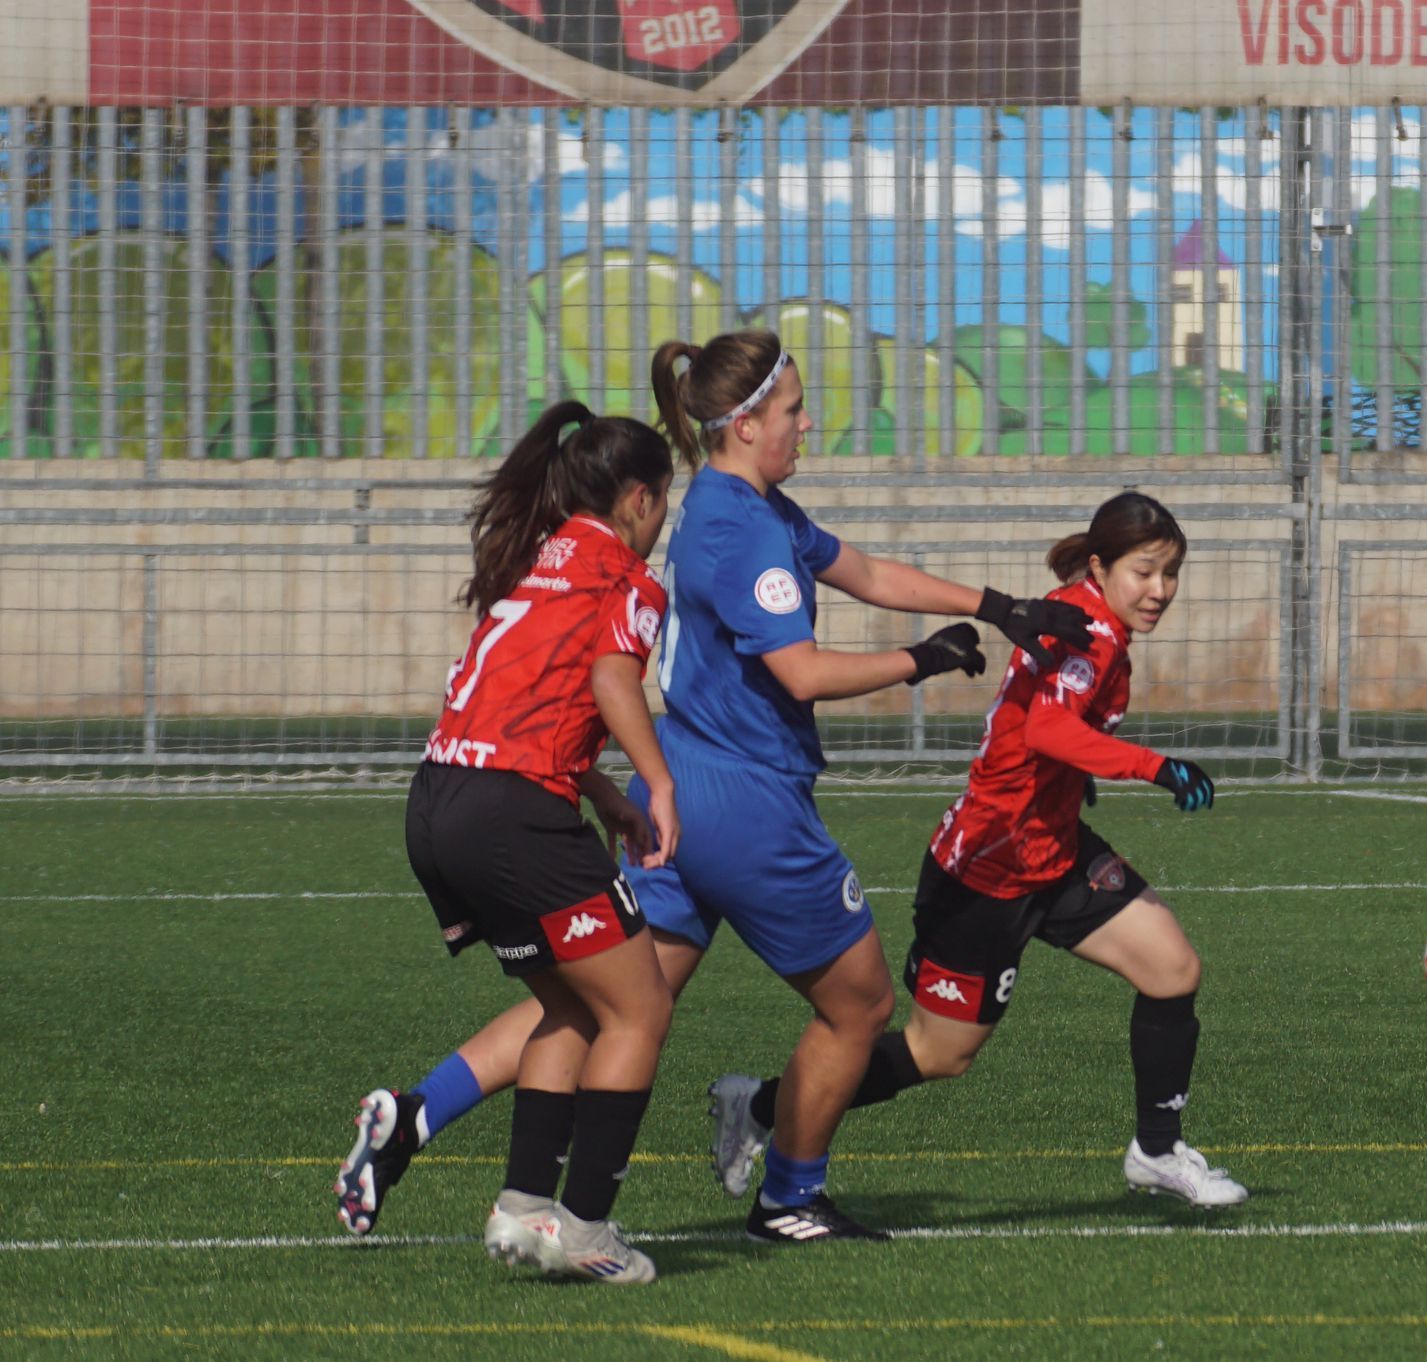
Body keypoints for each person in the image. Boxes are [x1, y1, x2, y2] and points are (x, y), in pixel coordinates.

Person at [336, 330, 1093, 1246]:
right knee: (860, 1006)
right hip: (747, 805)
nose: (806, 424)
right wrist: (919, 660)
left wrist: (994, 605)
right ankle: (788, 1196)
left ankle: (418, 1117)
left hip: (681, 794)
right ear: (741, 425)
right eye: (791, 411)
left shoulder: (751, 509)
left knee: (601, 1000)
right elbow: (801, 674)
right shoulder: (737, 530)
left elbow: (863, 569)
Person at [706, 491, 1248, 1211]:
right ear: (1100, 566)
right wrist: (1154, 766)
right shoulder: (1091, 630)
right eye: (1144, 572)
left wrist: (1068, 784)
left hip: (1053, 853)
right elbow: (1047, 732)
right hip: (986, 871)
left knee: (1173, 968)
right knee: (939, 1054)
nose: (1160, 591)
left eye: (1170, 574)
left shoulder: (1084, 612)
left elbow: (1042, 731)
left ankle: (1156, 1149)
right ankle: (761, 1107)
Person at [364, 401, 678, 1285]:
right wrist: (656, 782)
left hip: (440, 799)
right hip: (511, 817)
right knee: (641, 1008)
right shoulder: (627, 579)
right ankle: (585, 1231)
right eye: (664, 505)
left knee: (572, 1005)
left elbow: (526, 704)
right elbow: (614, 679)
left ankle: (523, 1208)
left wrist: (604, 793)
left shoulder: (537, 559)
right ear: (639, 502)